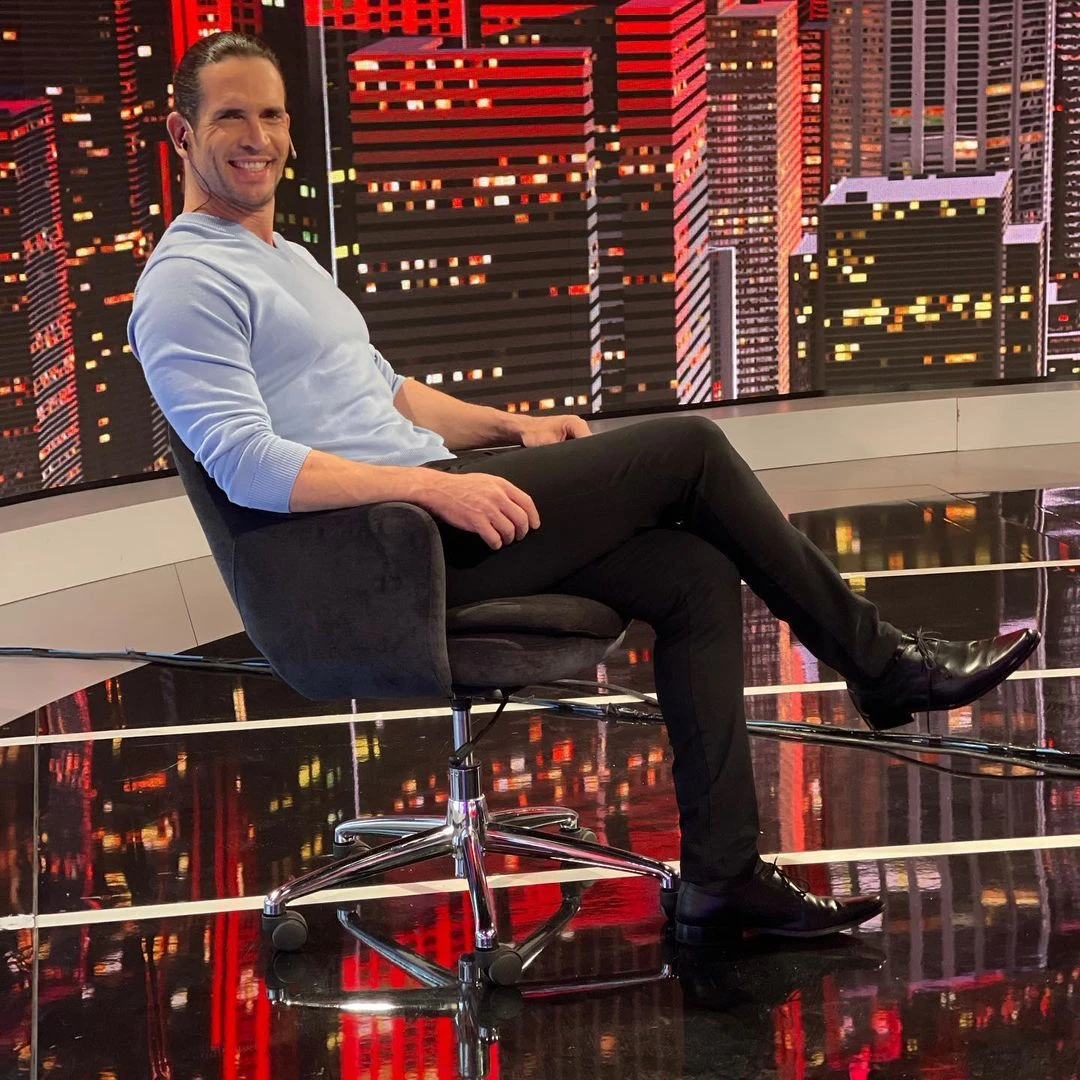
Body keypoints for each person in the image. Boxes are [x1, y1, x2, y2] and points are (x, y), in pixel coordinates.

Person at [128, 33, 1040, 944]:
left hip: (427, 509)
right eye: (232, 116)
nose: (258, 137)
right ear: (181, 132)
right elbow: (245, 464)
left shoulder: (282, 257)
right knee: (688, 449)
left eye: (272, 114)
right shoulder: (185, 284)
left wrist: (512, 430)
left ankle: (722, 882)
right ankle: (881, 665)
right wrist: (432, 489)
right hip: (383, 558)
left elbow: (389, 395)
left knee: (689, 573)